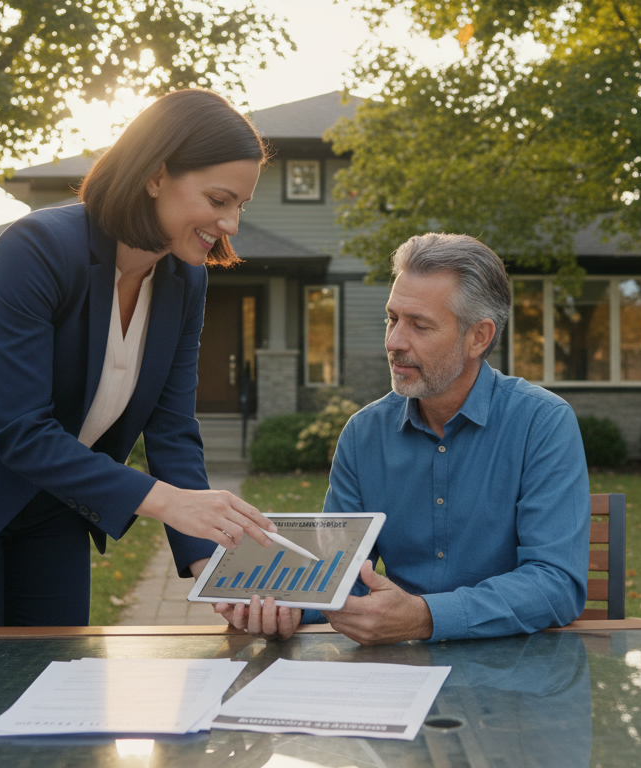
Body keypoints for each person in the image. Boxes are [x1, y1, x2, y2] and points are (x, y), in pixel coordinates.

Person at [0, 89, 279, 628]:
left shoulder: (186, 280)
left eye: (241, 205)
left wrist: (210, 560)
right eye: (218, 201)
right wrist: (163, 500)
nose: (231, 225)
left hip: (55, 502)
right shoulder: (37, 249)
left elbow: (171, 427)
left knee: (54, 681)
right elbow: (21, 429)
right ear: (155, 176)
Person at [218, 233, 590, 643]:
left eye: (419, 325)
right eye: (392, 318)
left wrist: (425, 616)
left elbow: (556, 584)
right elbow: (338, 573)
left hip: (516, 676)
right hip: (394, 672)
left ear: (478, 337)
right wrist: (284, 603)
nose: (394, 342)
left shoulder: (542, 423)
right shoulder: (364, 434)